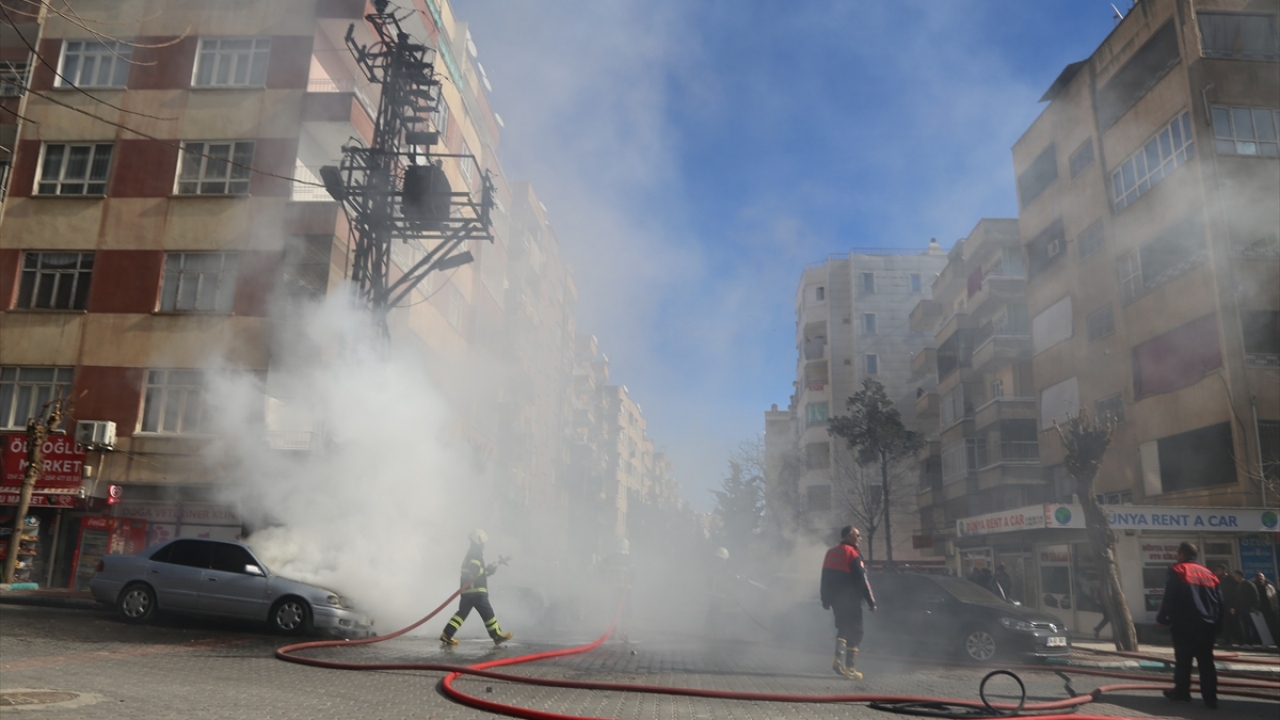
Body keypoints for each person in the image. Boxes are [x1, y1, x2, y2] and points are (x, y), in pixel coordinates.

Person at [1155, 541, 1222, 710]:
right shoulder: (1210, 574)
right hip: (1207, 627)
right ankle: (1210, 698)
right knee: (1206, 663)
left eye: (1178, 554)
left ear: (1183, 555)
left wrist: (1162, 619)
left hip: (1185, 626)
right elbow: (1221, 603)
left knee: (1183, 662)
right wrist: (1219, 626)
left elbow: (1169, 597)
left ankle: (1182, 693)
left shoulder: (1178, 570)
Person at [820, 525, 877, 680]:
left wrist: (825, 599)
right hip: (851, 599)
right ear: (848, 536)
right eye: (857, 535)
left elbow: (825, 578)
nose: (860, 538)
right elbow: (862, 580)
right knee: (857, 632)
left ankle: (838, 661)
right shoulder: (853, 554)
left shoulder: (830, 553)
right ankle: (850, 669)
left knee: (843, 628)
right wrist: (871, 601)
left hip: (836, 600)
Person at [440, 529, 513, 646]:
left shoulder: (471, 553)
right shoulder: (475, 553)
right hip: (476, 591)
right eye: (483, 544)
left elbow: (477, 572)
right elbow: (474, 570)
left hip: (468, 591)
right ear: (478, 541)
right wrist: (487, 570)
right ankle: (497, 635)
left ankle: (447, 634)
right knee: (488, 613)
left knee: (461, 614)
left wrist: (488, 570)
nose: (483, 546)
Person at [1232, 570, 1261, 645]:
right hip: (1242, 608)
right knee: (1245, 626)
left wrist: (1256, 607)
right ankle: (1248, 642)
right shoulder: (1237, 585)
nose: (1234, 577)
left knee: (1251, 625)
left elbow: (1255, 595)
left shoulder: (1248, 584)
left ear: (1240, 576)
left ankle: (1255, 642)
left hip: (1249, 607)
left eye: (1236, 575)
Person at [1215, 565, 1241, 646]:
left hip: (1231, 605)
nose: (1218, 572)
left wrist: (1233, 606)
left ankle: (1240, 640)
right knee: (1226, 623)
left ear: (1224, 570)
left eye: (1219, 570)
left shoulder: (1231, 579)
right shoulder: (1220, 579)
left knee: (1235, 623)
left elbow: (1234, 593)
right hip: (1223, 604)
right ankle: (1227, 640)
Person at [1253, 573, 1278, 645]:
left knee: (1273, 626)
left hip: (1270, 609)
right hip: (1259, 610)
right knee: (1262, 627)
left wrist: (1276, 607)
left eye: (1261, 576)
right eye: (1258, 577)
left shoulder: (1269, 586)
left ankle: (1276, 642)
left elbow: (1274, 597)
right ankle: (1264, 643)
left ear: (1264, 578)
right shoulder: (1254, 587)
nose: (1260, 578)